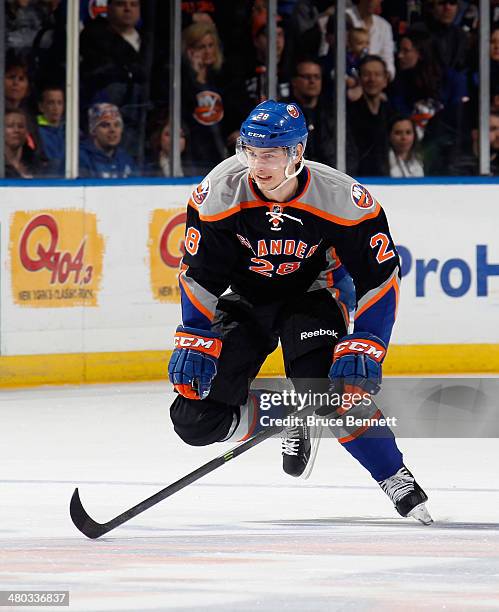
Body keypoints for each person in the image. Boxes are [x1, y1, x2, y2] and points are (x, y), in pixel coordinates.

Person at [167, 99, 433, 525]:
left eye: (270, 154)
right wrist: (196, 334)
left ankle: (394, 475)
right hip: (248, 297)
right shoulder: (218, 191)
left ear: (297, 152)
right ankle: (279, 416)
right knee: (193, 418)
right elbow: (199, 273)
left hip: (315, 295)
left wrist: (367, 340)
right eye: (250, 152)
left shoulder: (343, 198)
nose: (258, 164)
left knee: (331, 391)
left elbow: (381, 275)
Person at [79, 0, 148, 158]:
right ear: (108, 8)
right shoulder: (93, 38)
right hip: (108, 113)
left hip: (139, 117)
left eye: (133, 4)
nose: (127, 9)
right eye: (120, 4)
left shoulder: (149, 40)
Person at [287, 59, 358, 174]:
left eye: (317, 77)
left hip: (330, 181)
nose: (312, 81)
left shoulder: (334, 114)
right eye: (306, 77)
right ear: (294, 81)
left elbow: (350, 154)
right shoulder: (284, 116)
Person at [181, 22, 228, 174]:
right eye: (201, 47)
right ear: (189, 50)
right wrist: (195, 78)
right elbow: (186, 110)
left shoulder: (222, 78)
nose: (208, 51)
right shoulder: (182, 80)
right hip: (194, 154)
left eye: (210, 45)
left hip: (220, 152)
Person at [348, 54, 395, 176]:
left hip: (388, 180)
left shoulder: (393, 114)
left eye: (377, 74)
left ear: (385, 80)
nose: (372, 79)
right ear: (359, 79)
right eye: (367, 74)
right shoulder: (349, 113)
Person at [79, 103, 137, 178]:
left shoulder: (126, 159)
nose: (112, 130)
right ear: (93, 131)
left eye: (117, 125)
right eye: (105, 125)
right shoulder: (81, 159)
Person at [346, 0, 396, 80]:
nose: (371, 1)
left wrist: (382, 78)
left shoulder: (384, 26)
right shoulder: (344, 17)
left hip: (376, 83)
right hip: (349, 76)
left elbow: (388, 61)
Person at [4, 108, 43, 178]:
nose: (16, 130)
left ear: (27, 132)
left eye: (21, 126)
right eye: (10, 126)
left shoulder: (35, 163)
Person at [37, 85, 65, 176]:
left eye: (59, 103)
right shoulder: (34, 131)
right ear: (41, 107)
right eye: (51, 103)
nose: (56, 108)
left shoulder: (72, 131)